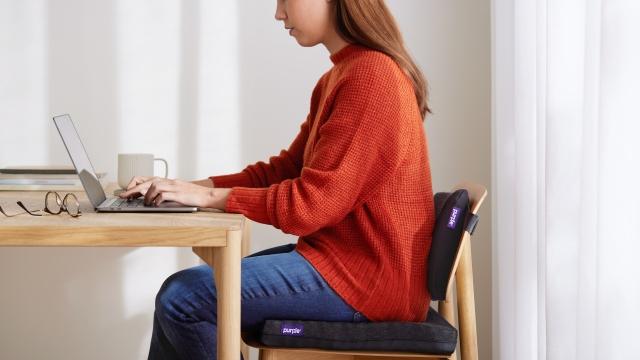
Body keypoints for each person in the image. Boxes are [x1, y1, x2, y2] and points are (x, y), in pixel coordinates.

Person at [120, 0, 436, 358]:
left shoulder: (371, 77)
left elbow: (310, 206)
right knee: (185, 295)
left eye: (286, 0)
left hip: (366, 283)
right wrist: (189, 188)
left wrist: (205, 198)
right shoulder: (340, 76)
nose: (279, 13)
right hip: (343, 266)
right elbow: (284, 170)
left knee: (185, 299)